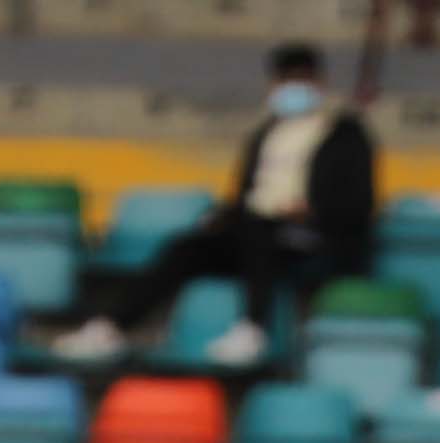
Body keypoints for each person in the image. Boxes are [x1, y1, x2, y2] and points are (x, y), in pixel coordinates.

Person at [54, 43, 376, 368]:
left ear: (319, 83)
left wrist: (310, 210)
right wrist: (222, 218)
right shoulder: (265, 135)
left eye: (302, 79)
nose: (293, 88)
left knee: (259, 229)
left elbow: (358, 205)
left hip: (315, 238)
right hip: (259, 235)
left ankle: (253, 329)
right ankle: (110, 328)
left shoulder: (346, 136)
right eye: (286, 80)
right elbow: (244, 196)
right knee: (187, 247)